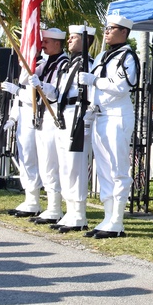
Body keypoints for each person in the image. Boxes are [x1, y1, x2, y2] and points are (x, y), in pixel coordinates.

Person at [78, 13, 139, 238]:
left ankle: (117, 220)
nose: (106, 32)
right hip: (100, 116)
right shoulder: (104, 55)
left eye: (111, 28)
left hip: (117, 116)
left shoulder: (128, 56)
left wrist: (94, 80)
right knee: (103, 170)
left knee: (117, 169)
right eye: (105, 28)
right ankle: (107, 216)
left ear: (123, 32)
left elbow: (121, 87)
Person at [1, 28, 68, 217]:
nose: (41, 45)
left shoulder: (61, 64)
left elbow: (42, 96)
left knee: (47, 162)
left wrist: (17, 91)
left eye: (45, 41)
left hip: (44, 116)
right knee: (27, 158)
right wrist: (13, 116)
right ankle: (32, 199)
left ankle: (52, 205)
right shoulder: (40, 64)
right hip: (30, 116)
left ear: (57, 43)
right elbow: (25, 90)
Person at [48, 24, 96, 233]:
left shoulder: (90, 65)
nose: (69, 41)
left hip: (78, 114)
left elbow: (93, 94)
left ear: (86, 41)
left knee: (75, 167)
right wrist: (43, 88)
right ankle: (70, 211)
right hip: (63, 115)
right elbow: (58, 94)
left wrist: (87, 119)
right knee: (65, 166)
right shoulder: (67, 65)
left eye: (74, 38)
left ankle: (79, 214)